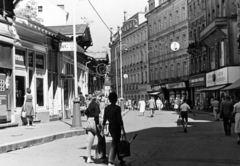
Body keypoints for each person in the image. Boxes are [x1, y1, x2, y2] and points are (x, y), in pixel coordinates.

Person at [102, 92, 126, 166]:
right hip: (117, 126)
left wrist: (103, 129)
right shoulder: (117, 108)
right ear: (116, 99)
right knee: (114, 143)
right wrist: (123, 129)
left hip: (111, 127)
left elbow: (104, 119)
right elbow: (119, 119)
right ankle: (110, 161)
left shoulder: (106, 108)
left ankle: (120, 158)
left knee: (117, 141)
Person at [85, 95, 101, 164]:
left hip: (89, 121)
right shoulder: (96, 105)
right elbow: (97, 115)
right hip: (94, 121)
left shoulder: (90, 104)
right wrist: (97, 124)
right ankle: (100, 154)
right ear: (96, 99)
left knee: (89, 141)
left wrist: (88, 117)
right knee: (101, 137)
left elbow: (86, 112)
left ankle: (88, 157)